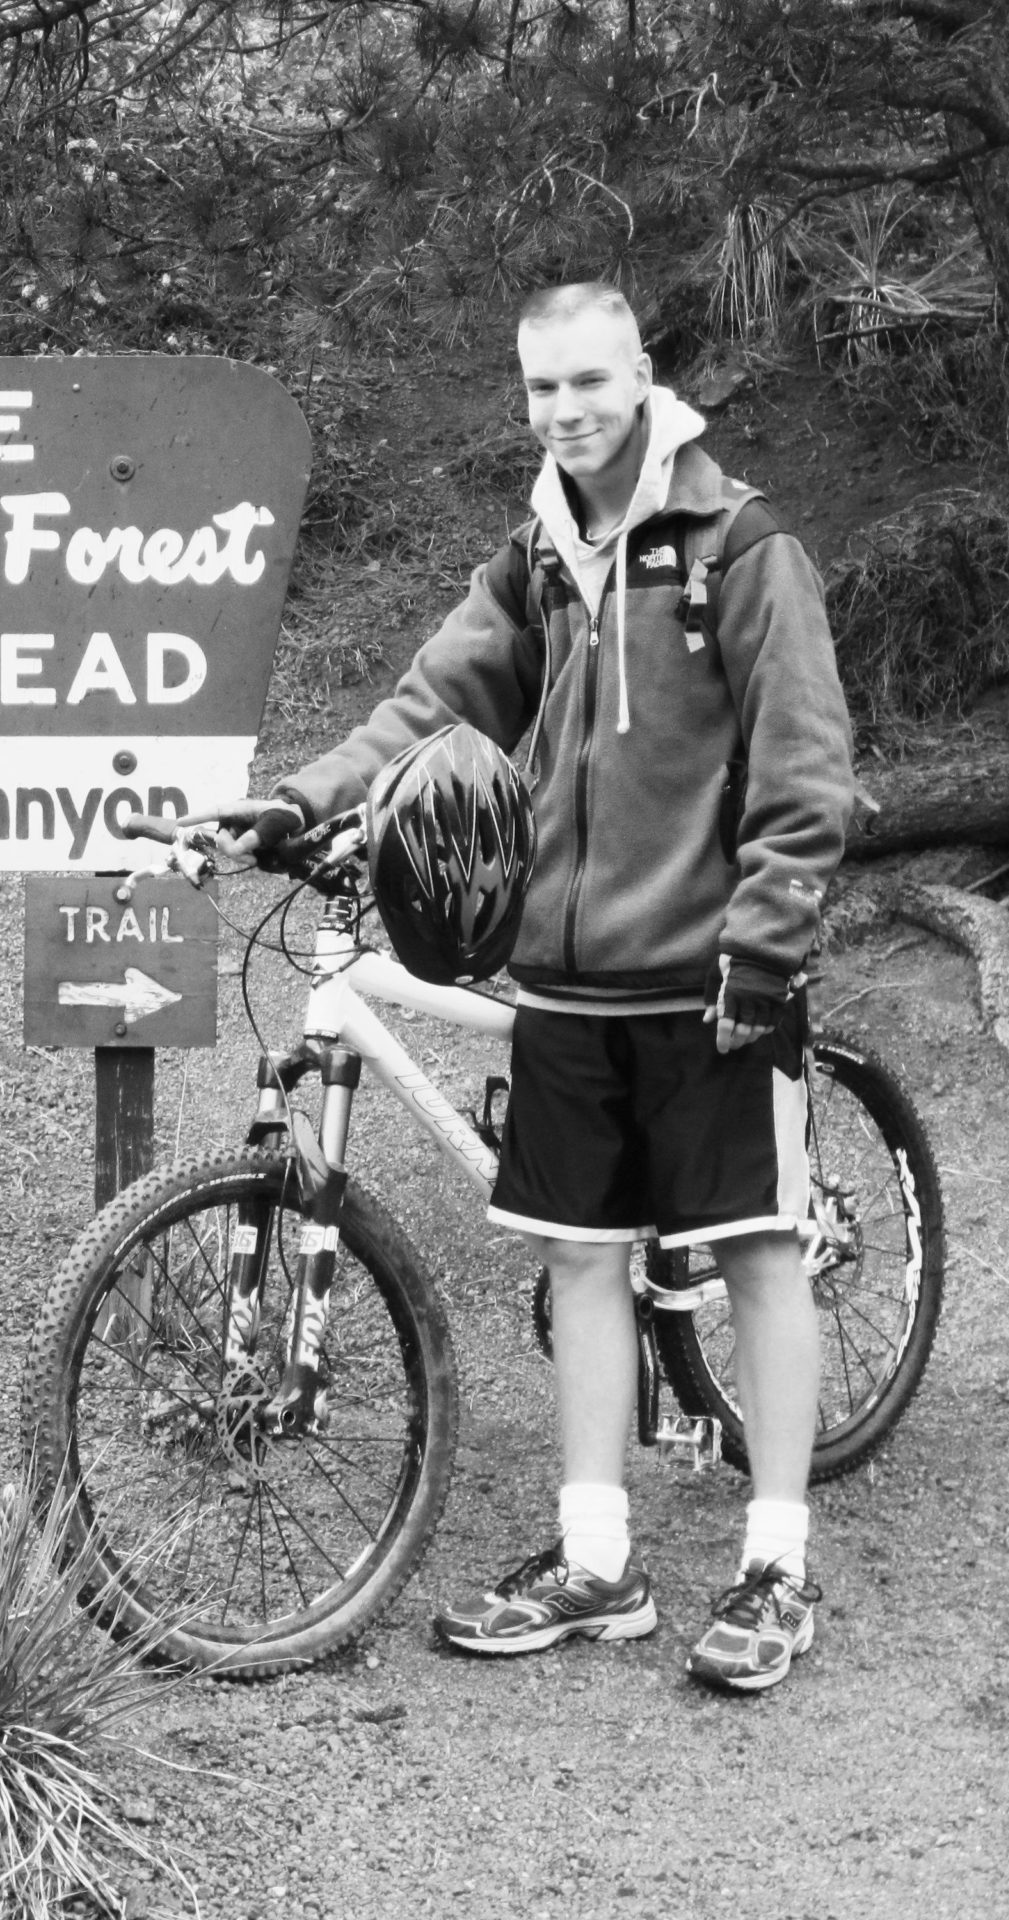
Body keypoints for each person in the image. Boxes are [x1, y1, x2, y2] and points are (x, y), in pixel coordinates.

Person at [241, 282, 855, 1693]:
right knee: (580, 1259)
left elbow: (809, 775)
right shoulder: (538, 558)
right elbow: (433, 704)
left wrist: (764, 946)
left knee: (760, 1250)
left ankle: (776, 1565)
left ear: (643, 373)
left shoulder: (737, 547)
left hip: (712, 977)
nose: (568, 411)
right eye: (541, 390)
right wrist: (302, 801)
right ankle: (598, 1562)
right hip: (567, 981)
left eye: (590, 381)